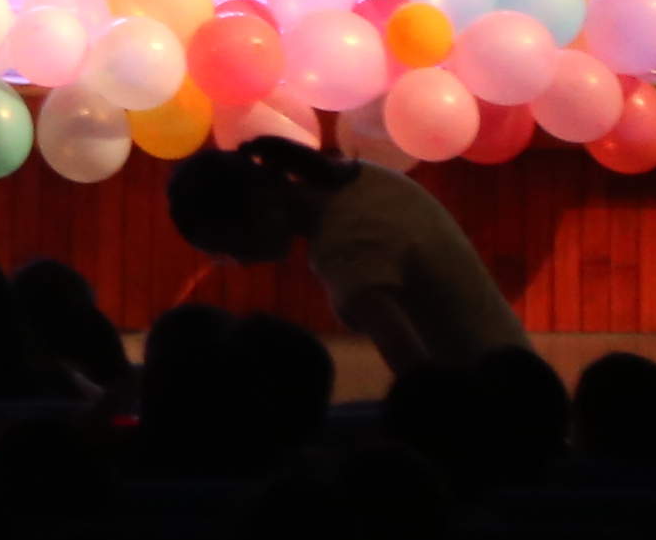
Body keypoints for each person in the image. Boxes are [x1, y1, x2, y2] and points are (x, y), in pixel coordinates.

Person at [164, 134, 535, 375]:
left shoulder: (345, 253)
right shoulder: (363, 179)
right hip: (522, 378)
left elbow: (420, 382)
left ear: (260, 206)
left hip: (492, 415)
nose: (244, 262)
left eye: (233, 245)